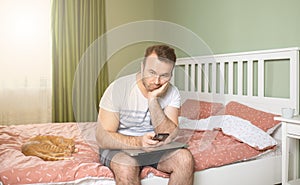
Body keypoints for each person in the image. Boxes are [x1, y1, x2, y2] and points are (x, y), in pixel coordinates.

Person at [96, 45, 194, 185]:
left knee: (185, 159)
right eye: (152, 72)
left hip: (154, 149)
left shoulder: (172, 93)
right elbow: (103, 138)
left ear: (171, 74)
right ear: (142, 68)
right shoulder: (118, 88)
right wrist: (139, 142)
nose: (156, 81)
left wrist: (153, 100)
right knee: (126, 166)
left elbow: (169, 134)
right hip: (119, 148)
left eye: (164, 75)